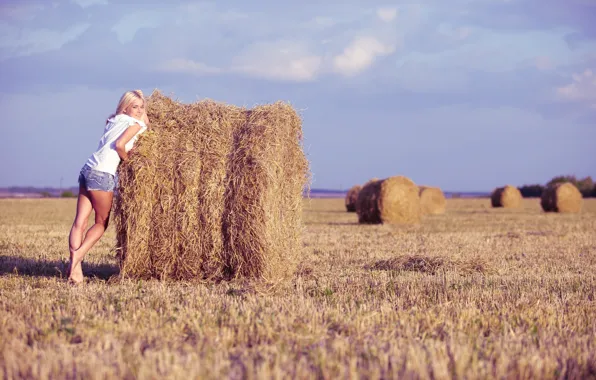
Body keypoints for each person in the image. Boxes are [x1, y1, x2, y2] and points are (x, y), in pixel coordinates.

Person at [67, 90, 150, 284]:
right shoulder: (136, 124)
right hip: (103, 174)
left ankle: (76, 272)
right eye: (134, 107)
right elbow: (121, 144)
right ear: (126, 107)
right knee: (101, 223)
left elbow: (130, 119)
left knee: (80, 221)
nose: (139, 111)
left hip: (87, 169)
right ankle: (75, 260)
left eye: (141, 107)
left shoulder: (114, 120)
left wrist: (139, 97)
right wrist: (127, 161)